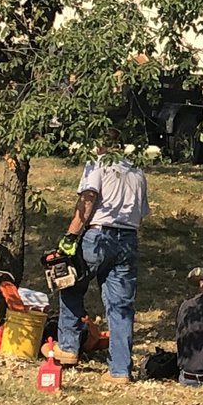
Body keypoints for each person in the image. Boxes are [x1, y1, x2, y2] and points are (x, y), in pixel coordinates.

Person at [53, 130, 149, 384]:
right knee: (121, 307)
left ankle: (68, 348)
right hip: (128, 240)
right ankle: (119, 370)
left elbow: (88, 199)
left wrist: (71, 235)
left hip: (98, 235)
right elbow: (141, 214)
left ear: (99, 144)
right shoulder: (136, 171)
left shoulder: (97, 163)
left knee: (71, 284)